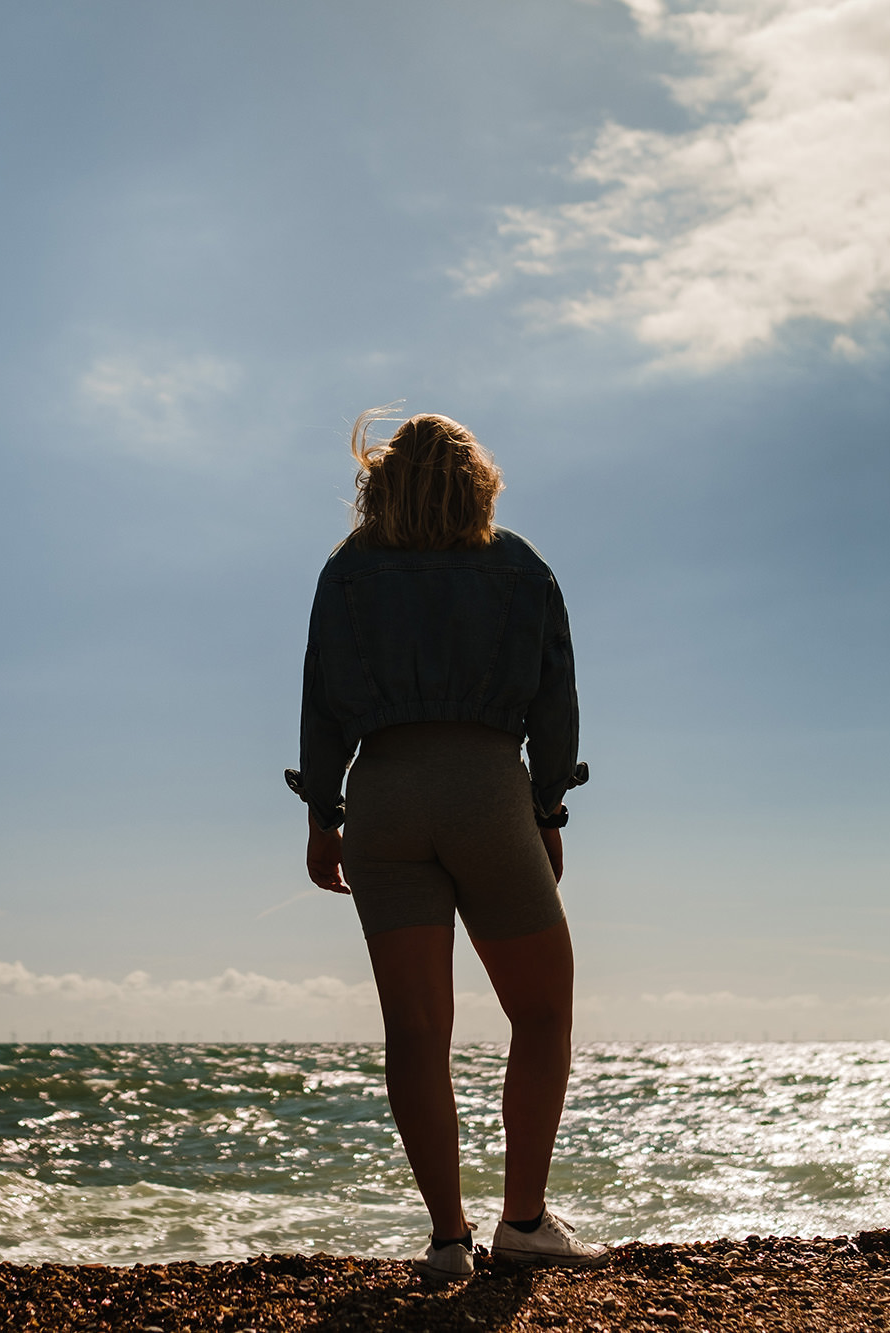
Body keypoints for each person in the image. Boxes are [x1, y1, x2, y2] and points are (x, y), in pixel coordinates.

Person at [284, 408, 604, 1280]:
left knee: (417, 1030)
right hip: (486, 793)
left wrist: (323, 816)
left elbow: (321, 699)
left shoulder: (348, 572)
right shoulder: (520, 566)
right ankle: (525, 1221)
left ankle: (446, 1239)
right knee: (540, 1011)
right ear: (477, 481)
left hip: (384, 796)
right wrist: (546, 813)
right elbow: (555, 702)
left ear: (379, 483)